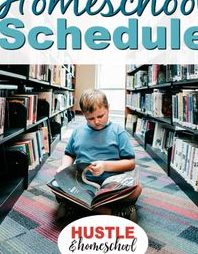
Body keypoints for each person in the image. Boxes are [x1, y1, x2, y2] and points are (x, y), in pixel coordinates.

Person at [56, 89, 142, 222]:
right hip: (83, 183)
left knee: (136, 190)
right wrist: (64, 166)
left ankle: (77, 207)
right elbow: (69, 154)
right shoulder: (77, 131)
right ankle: (112, 212)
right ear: (84, 115)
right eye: (90, 118)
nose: (96, 121)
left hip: (112, 182)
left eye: (100, 116)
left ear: (108, 109)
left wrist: (106, 166)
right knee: (57, 185)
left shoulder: (118, 132)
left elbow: (130, 163)